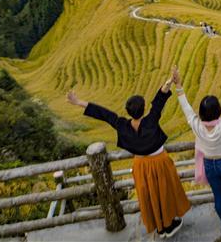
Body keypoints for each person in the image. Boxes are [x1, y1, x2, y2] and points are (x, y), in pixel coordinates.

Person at [66, 69, 190, 238]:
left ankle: (160, 227)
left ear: (128, 111)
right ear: (144, 109)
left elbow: (103, 114)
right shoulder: (151, 120)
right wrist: (170, 82)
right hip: (159, 163)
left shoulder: (122, 125)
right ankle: (168, 225)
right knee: (164, 192)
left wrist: (78, 101)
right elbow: (159, 101)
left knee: (150, 196)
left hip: (141, 166)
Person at [174, 67, 221, 236]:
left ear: (201, 113)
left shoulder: (196, 125)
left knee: (217, 196)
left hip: (209, 164)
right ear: (218, 111)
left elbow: (186, 107)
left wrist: (178, 85)